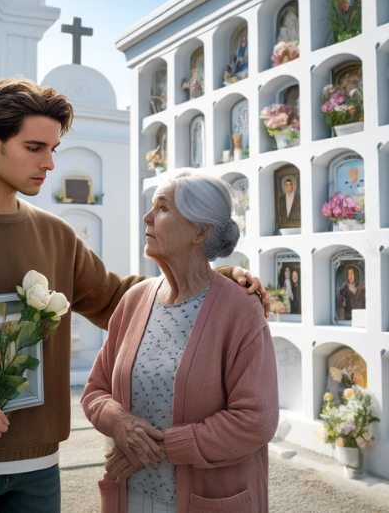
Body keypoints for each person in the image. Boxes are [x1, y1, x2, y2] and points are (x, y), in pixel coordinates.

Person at [0, 78, 270, 513]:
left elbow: (119, 301)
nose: (50, 163)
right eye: (35, 148)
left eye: (53, 149)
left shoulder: (56, 235)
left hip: (40, 462)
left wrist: (213, 275)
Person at [82, 169, 279, 513]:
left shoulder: (240, 310)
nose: (147, 216)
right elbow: (96, 390)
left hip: (210, 501)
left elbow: (254, 419)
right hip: (132, 496)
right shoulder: (134, 300)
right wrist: (120, 423)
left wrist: (163, 446)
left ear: (201, 232)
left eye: (162, 207)